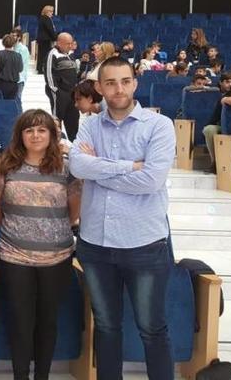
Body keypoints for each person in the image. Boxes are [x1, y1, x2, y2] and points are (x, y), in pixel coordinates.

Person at [69, 56, 176, 380]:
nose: (118, 89)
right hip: (96, 244)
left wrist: (98, 168)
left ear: (135, 83)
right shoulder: (89, 124)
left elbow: (152, 181)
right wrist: (130, 166)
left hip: (143, 243)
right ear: (100, 87)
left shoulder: (159, 126)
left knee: (151, 328)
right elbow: (77, 167)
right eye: (111, 82)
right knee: (105, 325)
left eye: (125, 81)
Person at [0, 109, 81, 380]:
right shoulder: (5, 165)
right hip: (14, 256)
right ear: (20, 135)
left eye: (42, 130)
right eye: (29, 130)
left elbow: (74, 211)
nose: (35, 135)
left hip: (56, 258)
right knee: (20, 322)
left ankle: (41, 376)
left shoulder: (66, 167)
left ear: (52, 135)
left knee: (47, 321)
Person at [45, 33, 80, 141]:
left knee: (73, 119)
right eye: (68, 44)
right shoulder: (52, 54)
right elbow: (49, 74)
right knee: (57, 121)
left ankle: (73, 144)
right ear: (59, 43)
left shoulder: (71, 54)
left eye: (71, 43)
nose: (70, 46)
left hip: (72, 93)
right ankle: (56, 145)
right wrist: (55, 91)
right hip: (59, 93)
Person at [0, 34, 23, 100]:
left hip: (2, 84)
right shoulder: (18, 55)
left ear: (3, 43)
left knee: (1, 104)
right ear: (14, 43)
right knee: (10, 104)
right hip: (14, 85)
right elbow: (20, 69)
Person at [35, 5, 56, 74]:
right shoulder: (47, 18)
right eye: (51, 11)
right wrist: (55, 37)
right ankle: (43, 69)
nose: (52, 13)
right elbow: (50, 30)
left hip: (42, 39)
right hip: (46, 39)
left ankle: (40, 68)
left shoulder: (42, 18)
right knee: (45, 55)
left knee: (41, 54)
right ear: (47, 11)